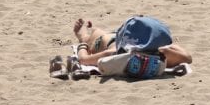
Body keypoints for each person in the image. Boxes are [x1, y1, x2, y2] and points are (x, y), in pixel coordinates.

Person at [50, 16, 191, 79]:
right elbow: (188, 58)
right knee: (103, 34)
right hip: (121, 41)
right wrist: (166, 48)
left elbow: (83, 60)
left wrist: (81, 41)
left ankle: (85, 35)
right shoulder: (166, 56)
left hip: (108, 42)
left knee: (98, 33)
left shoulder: (114, 53)